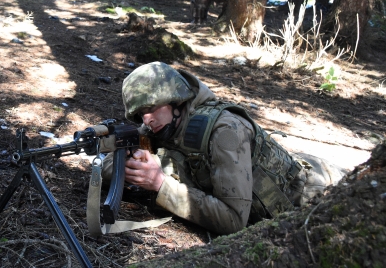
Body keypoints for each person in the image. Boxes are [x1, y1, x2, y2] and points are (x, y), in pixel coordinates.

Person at [103, 62, 347, 235]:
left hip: (321, 190)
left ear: (176, 100)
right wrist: (127, 157)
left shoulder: (225, 131)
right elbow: (109, 170)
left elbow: (233, 220)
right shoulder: (160, 125)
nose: (146, 120)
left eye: (151, 109)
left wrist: (160, 183)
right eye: (140, 115)